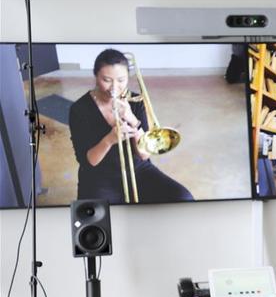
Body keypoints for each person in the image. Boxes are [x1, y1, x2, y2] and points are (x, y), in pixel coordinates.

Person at [69, 48, 193, 204]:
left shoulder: (135, 101)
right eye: (107, 80)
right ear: (96, 76)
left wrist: (132, 119)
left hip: (138, 169)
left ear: (128, 77)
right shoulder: (80, 109)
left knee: (183, 198)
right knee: (104, 218)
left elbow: (143, 155)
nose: (114, 87)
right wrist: (109, 140)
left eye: (121, 80)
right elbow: (89, 162)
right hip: (100, 176)